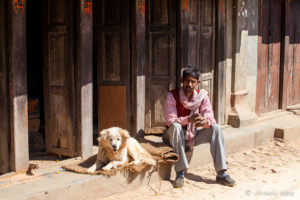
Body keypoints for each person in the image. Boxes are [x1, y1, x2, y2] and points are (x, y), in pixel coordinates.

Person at [163, 66, 236, 188]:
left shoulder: (202, 96)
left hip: (192, 136)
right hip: (172, 136)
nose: (189, 84)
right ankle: (180, 172)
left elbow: (211, 118)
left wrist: (204, 121)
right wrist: (188, 120)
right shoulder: (172, 95)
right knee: (176, 126)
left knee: (216, 129)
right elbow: (170, 121)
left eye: (193, 81)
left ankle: (221, 173)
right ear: (182, 80)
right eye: (187, 81)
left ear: (198, 83)